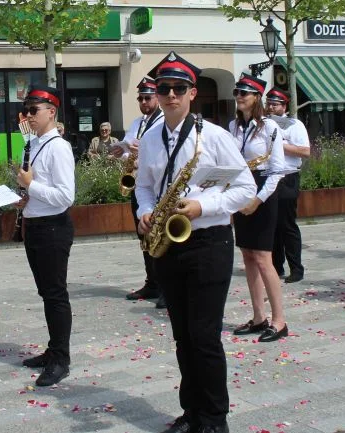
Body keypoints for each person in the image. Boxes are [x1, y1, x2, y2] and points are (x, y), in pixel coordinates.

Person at [135, 52, 256, 433]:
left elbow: (245, 189)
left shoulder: (214, 136)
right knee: (182, 336)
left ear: (192, 93)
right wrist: (144, 210)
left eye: (179, 88)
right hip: (170, 244)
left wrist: (202, 206)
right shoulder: (151, 138)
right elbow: (143, 187)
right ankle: (192, 413)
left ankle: (215, 419)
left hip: (208, 242)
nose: (171, 95)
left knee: (204, 337)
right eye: (164, 88)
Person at [16, 85, 76, 387]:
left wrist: (31, 186)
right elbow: (41, 188)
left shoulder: (58, 147)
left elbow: (66, 196)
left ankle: (60, 359)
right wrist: (26, 196)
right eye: (26, 110)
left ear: (51, 112)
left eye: (33, 110)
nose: (28, 115)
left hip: (53, 227)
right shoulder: (37, 143)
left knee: (55, 294)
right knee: (46, 293)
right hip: (37, 224)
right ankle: (53, 350)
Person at [229, 73, 288, 343]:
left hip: (264, 190)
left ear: (256, 97)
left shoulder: (270, 128)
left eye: (245, 92)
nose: (239, 96)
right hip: (242, 187)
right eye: (237, 92)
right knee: (248, 257)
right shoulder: (233, 127)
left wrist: (258, 200)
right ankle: (258, 316)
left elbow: (277, 171)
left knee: (264, 258)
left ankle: (279, 320)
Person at [111, 76, 165, 306]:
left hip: (157, 185)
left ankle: (165, 286)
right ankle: (152, 283)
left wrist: (139, 151)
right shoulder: (138, 122)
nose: (143, 102)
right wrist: (121, 152)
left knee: (159, 237)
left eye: (148, 97)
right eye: (140, 98)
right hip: (139, 184)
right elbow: (125, 149)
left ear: (157, 98)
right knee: (143, 235)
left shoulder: (163, 122)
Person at [265, 88, 310, 283]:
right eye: (269, 104)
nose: (271, 107)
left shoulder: (294, 124)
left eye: (275, 104)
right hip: (269, 176)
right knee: (272, 225)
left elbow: (305, 151)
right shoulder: (265, 124)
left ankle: (296, 268)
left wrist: (279, 145)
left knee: (287, 225)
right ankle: (276, 267)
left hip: (287, 176)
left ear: (284, 107)